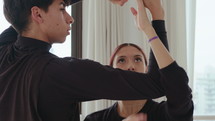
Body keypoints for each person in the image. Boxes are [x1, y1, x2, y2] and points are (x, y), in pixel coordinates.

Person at [0, 0, 192, 121]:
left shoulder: (3, 52)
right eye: (61, 8)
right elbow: (159, 83)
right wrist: (156, 20)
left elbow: (20, 15)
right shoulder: (62, 73)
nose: (70, 18)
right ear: (38, 14)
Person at [84, 0, 193, 121]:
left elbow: (180, 90)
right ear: (111, 69)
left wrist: (151, 26)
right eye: (121, 60)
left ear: (148, 69)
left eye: (137, 59)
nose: (130, 66)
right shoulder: (94, 119)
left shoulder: (165, 114)